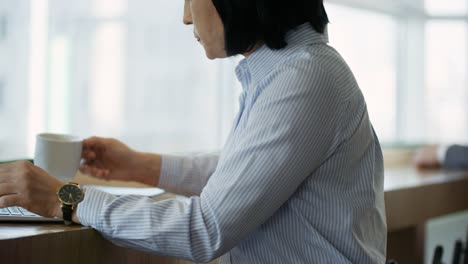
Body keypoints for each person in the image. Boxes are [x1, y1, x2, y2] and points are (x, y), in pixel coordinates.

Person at [0, 0, 387, 263]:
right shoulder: (292, 70)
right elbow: (247, 173)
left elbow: (206, 228)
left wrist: (64, 198)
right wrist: (139, 166)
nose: (186, 17)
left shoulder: (304, 77)